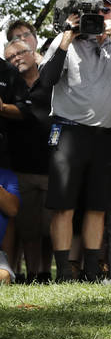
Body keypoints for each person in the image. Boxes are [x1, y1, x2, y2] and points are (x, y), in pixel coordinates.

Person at [38, 0, 111, 282]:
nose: (98, 17)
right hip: (68, 134)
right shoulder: (64, 41)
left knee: (97, 207)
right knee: (63, 206)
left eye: (105, 10)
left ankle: (93, 270)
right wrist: (67, 37)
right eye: (93, 11)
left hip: (104, 136)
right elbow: (45, 80)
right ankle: (64, 272)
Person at [4, 39, 51, 283]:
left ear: (33, 53)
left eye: (21, 53)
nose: (17, 59)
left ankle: (47, 270)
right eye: (10, 57)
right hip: (21, 167)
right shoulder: (10, 86)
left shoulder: (51, 80)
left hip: (53, 166)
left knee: (50, 227)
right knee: (29, 227)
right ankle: (34, 274)